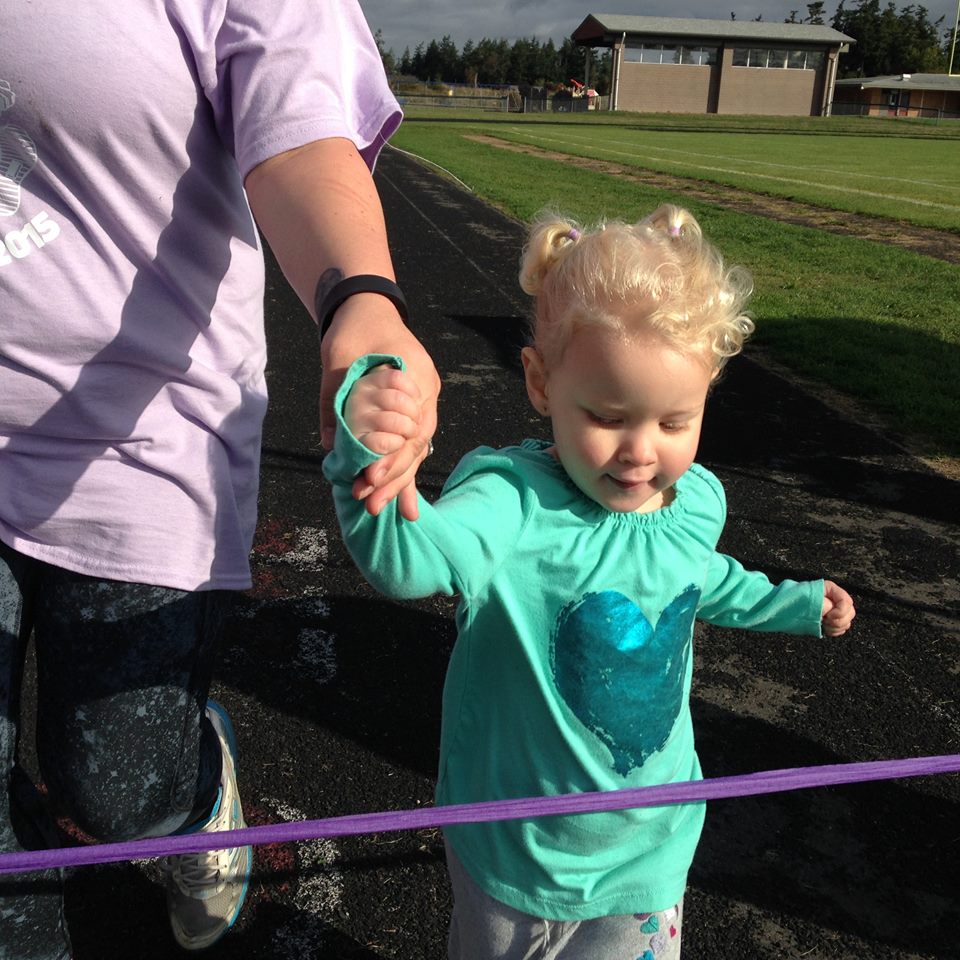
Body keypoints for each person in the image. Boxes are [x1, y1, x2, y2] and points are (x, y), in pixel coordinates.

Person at [0, 2, 438, 958]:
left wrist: (360, 297)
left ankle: (193, 793)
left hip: (140, 438)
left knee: (119, 795)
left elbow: (298, 135)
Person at [322, 205, 856, 960]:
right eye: (607, 417)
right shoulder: (511, 504)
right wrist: (368, 466)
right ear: (540, 383)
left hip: (648, 852)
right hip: (514, 852)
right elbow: (409, 563)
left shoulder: (696, 501)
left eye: (674, 422)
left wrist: (793, 603)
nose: (641, 452)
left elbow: (700, 580)